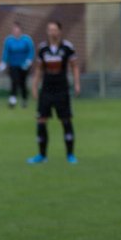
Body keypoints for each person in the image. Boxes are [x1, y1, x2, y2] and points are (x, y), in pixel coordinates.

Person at [29, 21, 80, 164]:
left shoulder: (67, 47)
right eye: (50, 30)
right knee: (41, 120)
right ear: (47, 31)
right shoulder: (42, 49)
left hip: (62, 90)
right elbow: (39, 69)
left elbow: (74, 66)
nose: (52, 32)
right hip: (46, 90)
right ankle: (41, 155)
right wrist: (34, 86)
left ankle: (70, 155)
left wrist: (76, 83)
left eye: (55, 29)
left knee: (65, 120)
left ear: (60, 31)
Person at [0, 21, 34, 109]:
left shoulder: (27, 39)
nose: (15, 31)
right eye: (13, 29)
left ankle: (24, 99)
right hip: (13, 65)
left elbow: (31, 51)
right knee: (14, 81)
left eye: (17, 29)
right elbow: (6, 52)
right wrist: (3, 62)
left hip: (24, 66)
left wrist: (29, 61)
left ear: (20, 30)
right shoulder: (9, 40)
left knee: (23, 83)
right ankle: (12, 100)